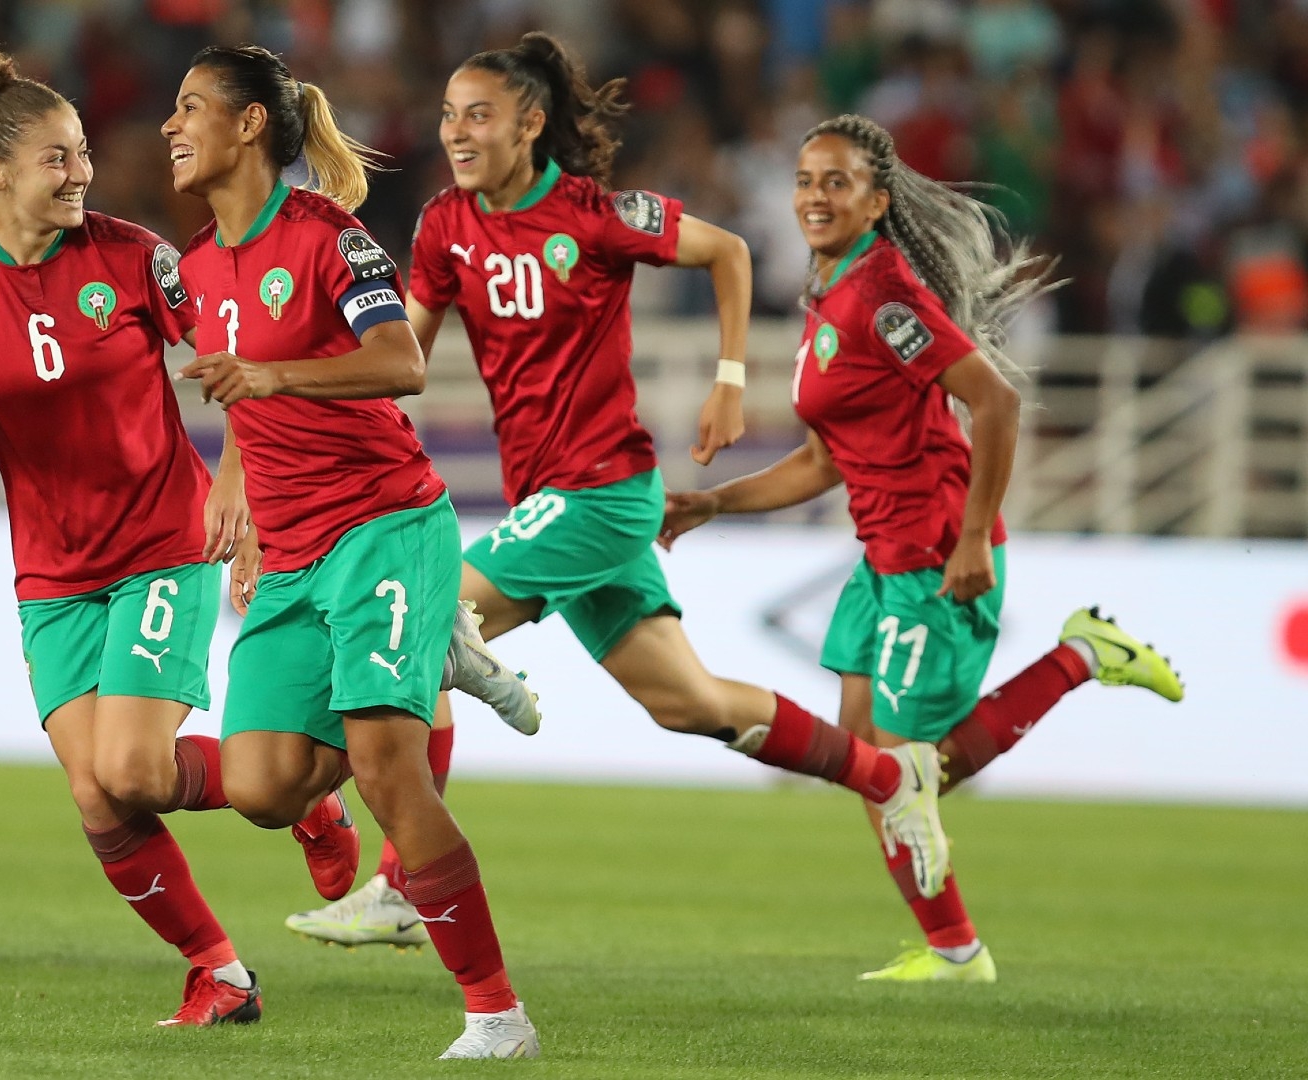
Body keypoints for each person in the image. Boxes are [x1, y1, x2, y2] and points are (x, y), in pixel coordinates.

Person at [288, 32, 952, 950]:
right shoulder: (446, 225)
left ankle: (404, 882)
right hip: (548, 502)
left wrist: (728, 379)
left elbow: (726, 252)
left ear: (530, 123)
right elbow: (402, 354)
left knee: (429, 621)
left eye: (478, 115)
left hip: (603, 490)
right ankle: (886, 778)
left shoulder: (595, 214)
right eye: (447, 115)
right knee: (691, 702)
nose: (456, 132)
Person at [659, 113, 1184, 981]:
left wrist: (975, 534)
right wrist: (715, 504)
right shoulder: (829, 291)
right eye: (805, 180)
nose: (815, 197)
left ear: (878, 199)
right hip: (880, 554)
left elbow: (996, 402)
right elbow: (825, 459)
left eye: (837, 182)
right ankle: (953, 948)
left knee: (913, 772)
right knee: (869, 763)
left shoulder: (884, 296)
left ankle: (1082, 654)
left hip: (935, 553)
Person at [0, 44, 325, 1029]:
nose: (81, 172)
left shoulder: (133, 257)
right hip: (52, 571)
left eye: (81, 153)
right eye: (56, 157)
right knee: (101, 796)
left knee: (127, 768)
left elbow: (233, 359)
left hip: (163, 538)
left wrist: (243, 489)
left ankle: (304, 792)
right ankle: (219, 970)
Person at [165, 44, 538, 1059]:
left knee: (385, 769)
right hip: (289, 551)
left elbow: (402, 361)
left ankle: (498, 1016)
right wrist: (235, 491)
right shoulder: (194, 266)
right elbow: (237, 389)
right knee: (260, 786)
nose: (171, 126)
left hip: (385, 522)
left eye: (192, 107)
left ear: (250, 125)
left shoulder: (329, 236)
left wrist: (278, 380)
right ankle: (435, 660)